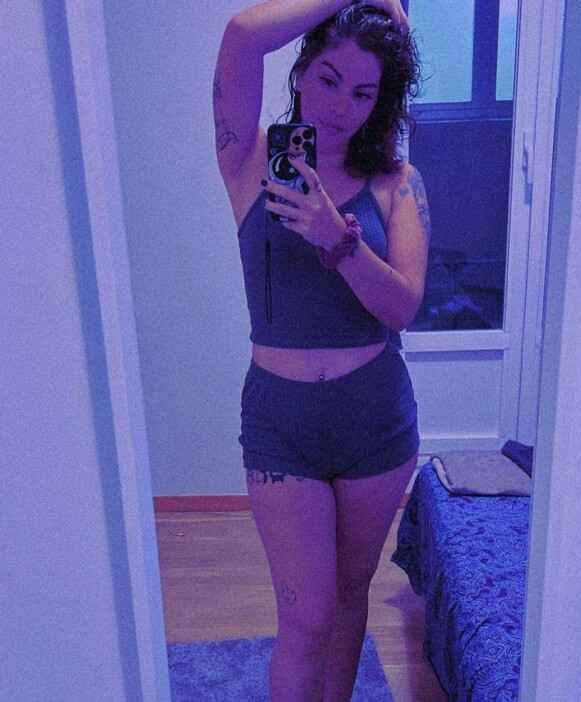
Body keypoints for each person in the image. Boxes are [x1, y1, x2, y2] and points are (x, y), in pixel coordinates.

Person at [213, 2, 429, 700]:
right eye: (329, 79)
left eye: (363, 92)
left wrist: (337, 238)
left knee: (348, 593)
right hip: (281, 424)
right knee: (305, 619)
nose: (341, 106)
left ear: (379, 101)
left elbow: (403, 307)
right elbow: (243, 35)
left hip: (376, 420)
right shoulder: (249, 159)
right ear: (302, 72)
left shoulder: (396, 183)